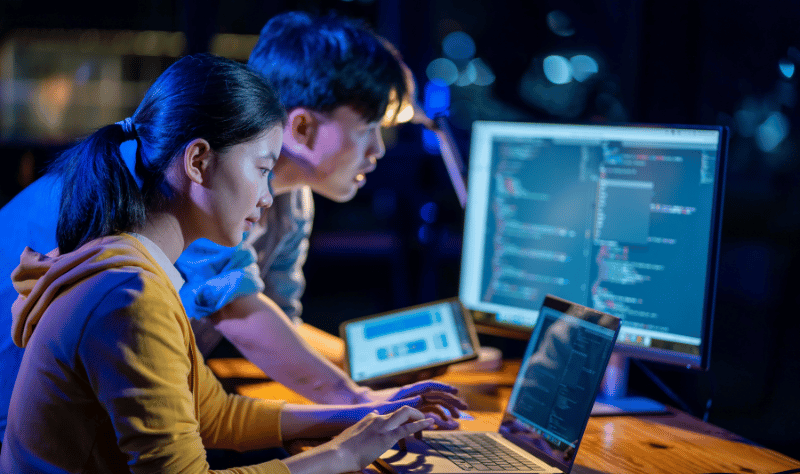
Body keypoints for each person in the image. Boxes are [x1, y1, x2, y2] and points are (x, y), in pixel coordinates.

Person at [0, 11, 464, 446]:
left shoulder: (289, 199)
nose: (378, 151)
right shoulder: (199, 185)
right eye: (368, 128)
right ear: (300, 129)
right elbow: (240, 313)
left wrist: (380, 364)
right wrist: (355, 400)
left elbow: (281, 320)